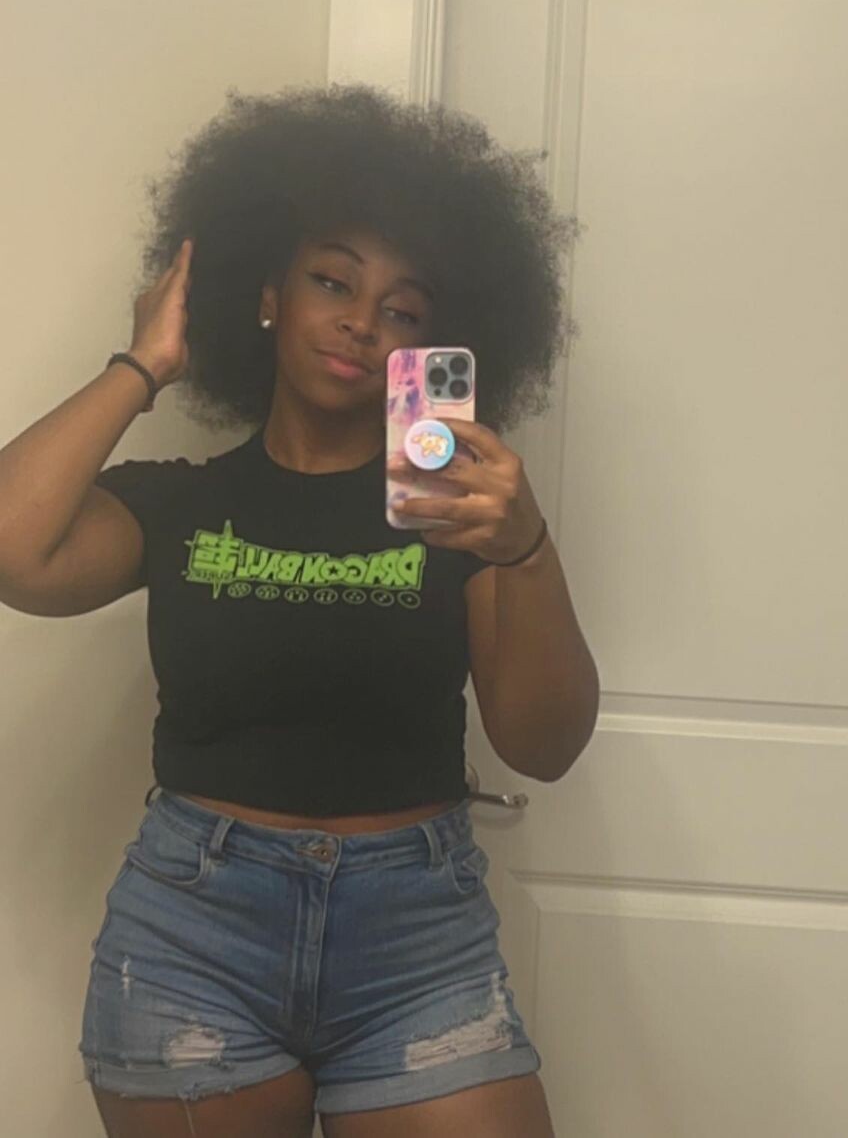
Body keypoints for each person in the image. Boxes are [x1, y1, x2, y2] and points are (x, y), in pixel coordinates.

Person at [0, 83, 599, 1136]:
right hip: (194, 933)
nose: (362, 320)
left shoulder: (462, 520)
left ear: (431, 342)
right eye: (333, 280)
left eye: (402, 309)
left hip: (419, 943)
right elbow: (15, 547)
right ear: (269, 292)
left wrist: (527, 546)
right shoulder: (181, 504)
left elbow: (545, 745)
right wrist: (145, 361)